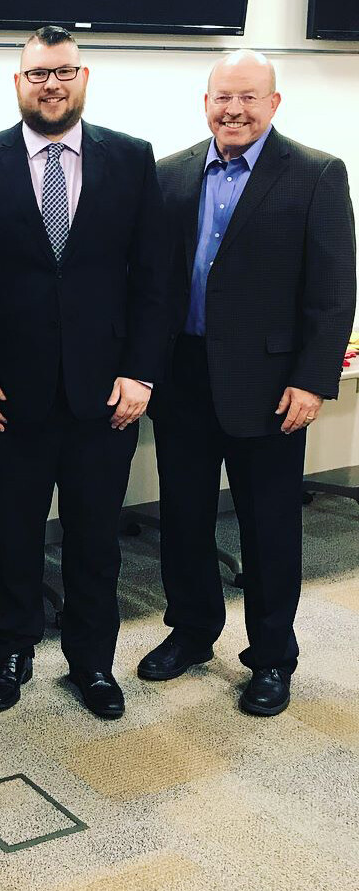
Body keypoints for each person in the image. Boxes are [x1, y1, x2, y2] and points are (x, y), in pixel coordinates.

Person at [0, 26, 170, 720]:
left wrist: (141, 374)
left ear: (84, 78)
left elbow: (154, 279)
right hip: (10, 395)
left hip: (105, 395)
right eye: (37, 74)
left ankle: (92, 661)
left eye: (62, 72)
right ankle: (11, 651)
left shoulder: (130, 160)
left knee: (96, 534)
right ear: (19, 84)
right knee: (14, 531)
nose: (50, 84)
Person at [142, 51, 356, 716]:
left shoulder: (316, 174)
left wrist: (313, 382)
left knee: (268, 529)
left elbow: (332, 290)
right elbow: (153, 285)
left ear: (274, 103)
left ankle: (271, 657)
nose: (233, 110)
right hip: (183, 379)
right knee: (182, 518)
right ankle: (191, 631)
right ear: (205, 101)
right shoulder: (171, 173)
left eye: (248, 98)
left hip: (269, 387)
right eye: (222, 97)